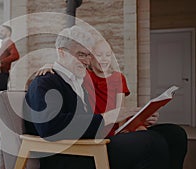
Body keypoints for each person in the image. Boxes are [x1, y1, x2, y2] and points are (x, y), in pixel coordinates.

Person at [24, 25, 187, 169]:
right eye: (81, 55)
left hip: (90, 143)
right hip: (71, 155)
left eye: (89, 55)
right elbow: (50, 127)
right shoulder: (44, 82)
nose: (87, 61)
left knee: (175, 134)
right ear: (62, 53)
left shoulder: (79, 81)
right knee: (151, 142)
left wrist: (137, 116)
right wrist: (108, 117)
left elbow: (87, 119)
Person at [0, 25, 19, 93]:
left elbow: (16, 55)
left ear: (8, 32)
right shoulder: (4, 44)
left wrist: (1, 62)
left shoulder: (9, 43)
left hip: (1, 75)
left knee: (0, 97)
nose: (0, 32)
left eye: (2, 31)